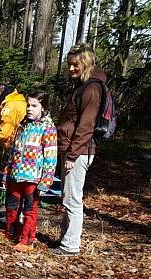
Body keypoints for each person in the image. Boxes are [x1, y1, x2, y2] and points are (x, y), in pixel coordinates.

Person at [53, 43, 108, 256]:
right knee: (67, 196)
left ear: (85, 63)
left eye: (75, 65)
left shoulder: (92, 89)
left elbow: (86, 126)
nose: (71, 69)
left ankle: (71, 245)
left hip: (79, 151)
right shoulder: (82, 86)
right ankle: (66, 239)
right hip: (72, 148)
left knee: (72, 199)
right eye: (69, 65)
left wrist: (73, 154)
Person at [2, 90, 58, 252]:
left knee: (29, 209)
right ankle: (11, 232)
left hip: (33, 178)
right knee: (11, 206)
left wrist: (46, 180)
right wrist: (7, 172)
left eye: (34, 106)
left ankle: (27, 240)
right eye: (28, 105)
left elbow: (51, 157)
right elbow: (13, 151)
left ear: (43, 107)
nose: (29, 109)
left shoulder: (48, 128)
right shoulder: (22, 125)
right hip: (15, 175)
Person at [0, 83, 27, 159]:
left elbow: (4, 133)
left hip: (16, 148)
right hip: (22, 146)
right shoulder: (18, 102)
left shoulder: (10, 107)